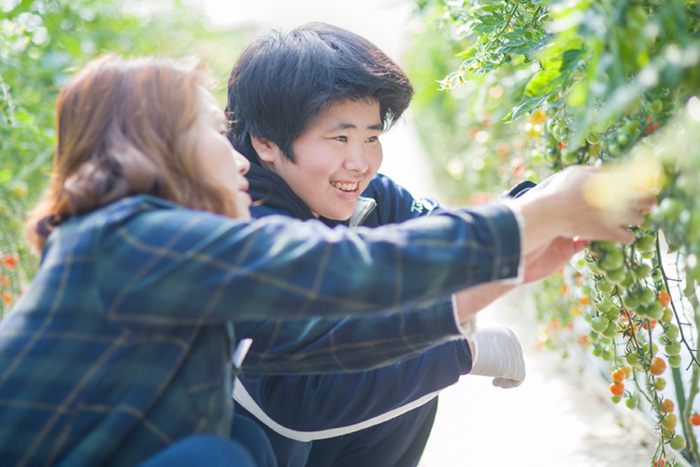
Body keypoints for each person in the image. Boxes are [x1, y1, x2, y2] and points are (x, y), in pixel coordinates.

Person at [0, 53, 648, 467]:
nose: (236, 159)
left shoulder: (149, 251)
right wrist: (540, 213)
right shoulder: (135, 239)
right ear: (155, 147)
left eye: (370, 136)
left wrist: (494, 276)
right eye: (209, 133)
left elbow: (314, 340)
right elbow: (340, 270)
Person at [224, 23, 652, 467]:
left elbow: (442, 236)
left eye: (371, 137)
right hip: (256, 445)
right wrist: (461, 351)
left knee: (409, 375)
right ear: (265, 142)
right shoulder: (238, 229)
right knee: (410, 366)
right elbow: (292, 404)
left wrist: (537, 208)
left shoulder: (362, 194)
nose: (360, 161)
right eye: (339, 137)